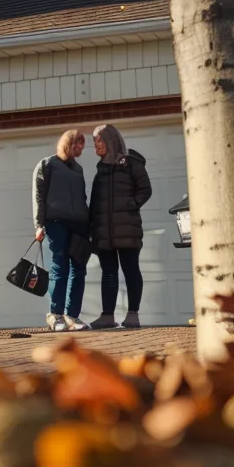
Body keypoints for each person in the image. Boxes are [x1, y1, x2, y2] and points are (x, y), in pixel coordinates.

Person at [86, 124, 152, 329]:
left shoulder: (131, 163)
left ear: (111, 140)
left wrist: (130, 205)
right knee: (109, 273)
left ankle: (133, 314)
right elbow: (95, 203)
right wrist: (91, 231)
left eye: (99, 139)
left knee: (131, 270)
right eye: (94, 141)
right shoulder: (101, 170)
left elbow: (145, 190)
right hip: (104, 233)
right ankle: (107, 316)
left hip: (128, 230)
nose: (95, 144)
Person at [33, 130, 90, 332]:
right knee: (60, 266)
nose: (81, 149)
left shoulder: (78, 169)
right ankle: (55, 315)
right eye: (78, 145)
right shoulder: (47, 165)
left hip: (79, 225)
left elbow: (82, 198)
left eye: (83, 145)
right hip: (56, 223)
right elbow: (38, 196)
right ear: (69, 143)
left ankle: (72, 316)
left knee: (79, 270)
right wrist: (39, 224)